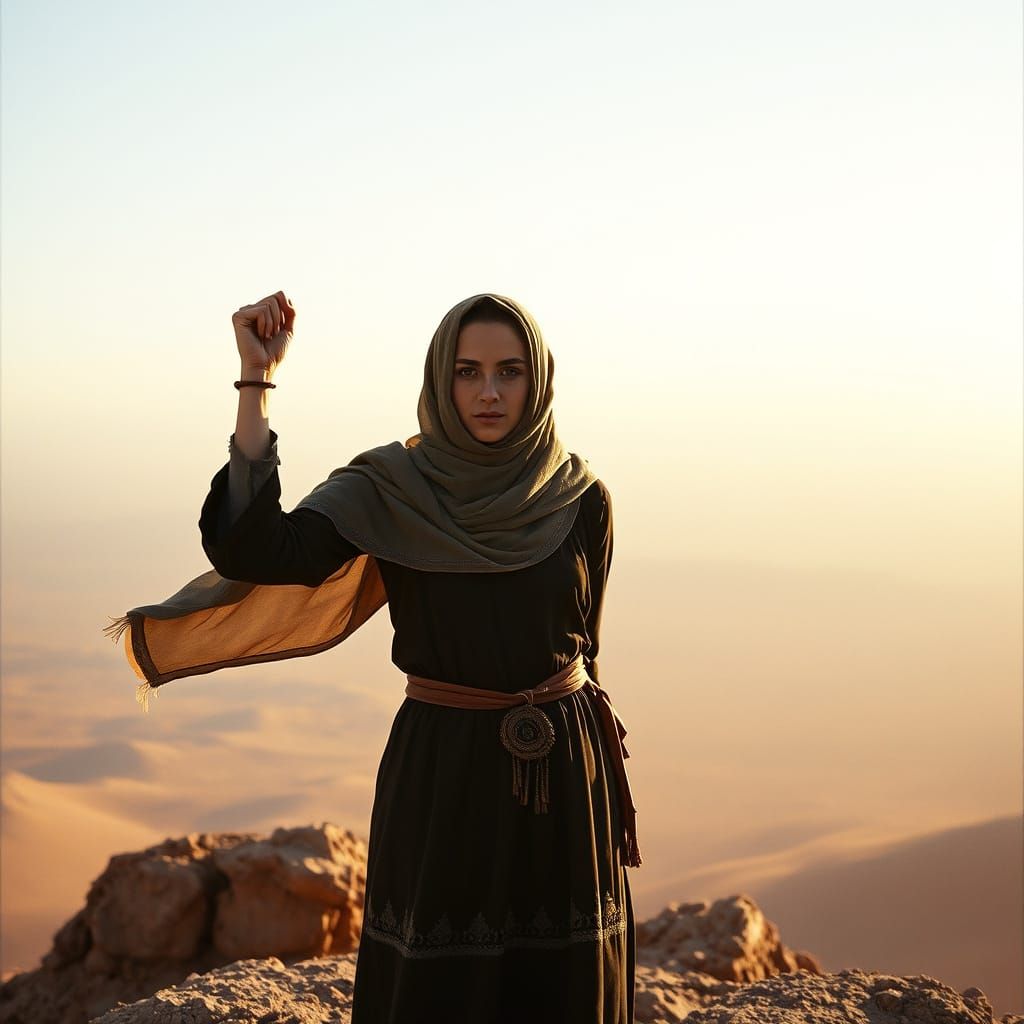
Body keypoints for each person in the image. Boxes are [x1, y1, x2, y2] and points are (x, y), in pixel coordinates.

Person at [105, 289, 641, 1023]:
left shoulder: (583, 498)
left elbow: (588, 646)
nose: (488, 392)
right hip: (444, 773)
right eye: (467, 371)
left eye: (510, 372)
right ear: (439, 380)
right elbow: (258, 549)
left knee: (564, 986)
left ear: (539, 379)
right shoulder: (393, 490)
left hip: (567, 773)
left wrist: (600, 778)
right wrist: (255, 383)